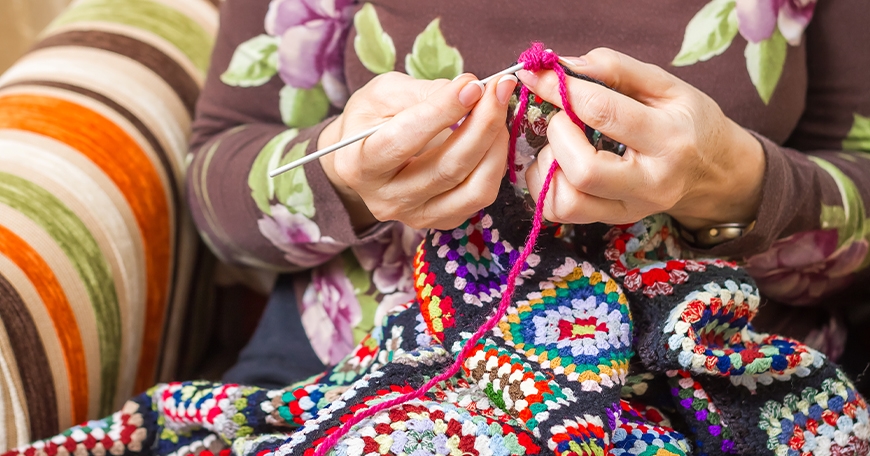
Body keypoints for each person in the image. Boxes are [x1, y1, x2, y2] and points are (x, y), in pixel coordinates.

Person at [188, 0, 870, 392]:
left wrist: (735, 184)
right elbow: (215, 190)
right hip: (355, 372)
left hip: (722, 384)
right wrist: (347, 177)